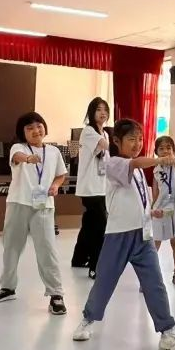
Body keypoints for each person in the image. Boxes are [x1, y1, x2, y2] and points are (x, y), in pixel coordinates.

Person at [72, 119, 175, 350]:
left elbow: (136, 200)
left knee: (155, 284)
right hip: (118, 235)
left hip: (143, 235)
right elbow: (135, 162)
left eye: (140, 139)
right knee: (105, 281)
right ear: (117, 141)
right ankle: (87, 320)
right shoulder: (114, 163)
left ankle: (167, 332)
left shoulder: (138, 173)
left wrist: (151, 212)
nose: (137, 143)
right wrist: (160, 160)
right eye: (132, 139)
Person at [0, 112, 68, 315]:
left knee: (47, 250)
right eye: (29, 128)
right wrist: (29, 158)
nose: (35, 130)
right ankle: (7, 287)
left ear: (44, 127)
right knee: (11, 247)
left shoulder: (54, 152)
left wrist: (56, 186)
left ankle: (56, 294)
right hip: (18, 203)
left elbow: (60, 175)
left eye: (38, 126)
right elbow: (17, 157)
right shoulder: (19, 147)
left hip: (43, 206)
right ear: (22, 133)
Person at [71, 97, 110, 279]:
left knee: (89, 224)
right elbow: (106, 147)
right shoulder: (88, 131)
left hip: (102, 187)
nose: (103, 113)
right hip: (90, 188)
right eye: (98, 109)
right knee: (100, 227)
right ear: (91, 112)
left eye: (105, 109)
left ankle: (79, 258)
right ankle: (95, 266)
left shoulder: (105, 133)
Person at [150, 135, 175, 285]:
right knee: (156, 243)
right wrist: (152, 209)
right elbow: (155, 193)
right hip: (160, 209)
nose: (165, 151)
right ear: (156, 152)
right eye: (161, 148)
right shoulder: (155, 170)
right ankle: (149, 275)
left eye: (168, 148)